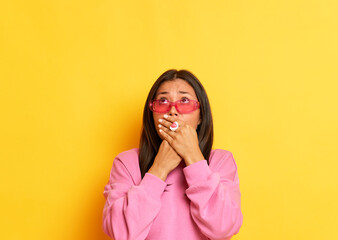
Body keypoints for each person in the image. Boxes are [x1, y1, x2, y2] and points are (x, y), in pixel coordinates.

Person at [102, 69, 243, 240]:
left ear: (200, 116)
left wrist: (194, 158)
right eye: (163, 101)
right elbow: (121, 233)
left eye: (184, 100)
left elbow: (223, 228)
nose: (173, 111)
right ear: (152, 113)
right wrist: (159, 169)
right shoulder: (126, 162)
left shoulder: (220, 161)